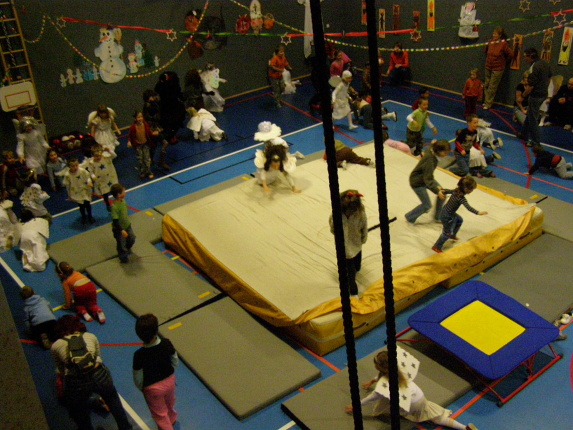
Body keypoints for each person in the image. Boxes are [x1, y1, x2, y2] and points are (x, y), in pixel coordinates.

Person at [345, 349, 479, 430]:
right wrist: (372, 381)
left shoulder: (383, 387)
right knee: (434, 415)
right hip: (419, 396)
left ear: (379, 367)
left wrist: (355, 406)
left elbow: (371, 398)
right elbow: (382, 376)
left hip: (411, 403)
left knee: (381, 406)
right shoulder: (400, 368)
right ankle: (464, 428)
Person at [51, 315, 132, 430]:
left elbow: (62, 370)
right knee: (113, 400)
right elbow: (98, 358)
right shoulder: (91, 336)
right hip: (99, 375)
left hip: (76, 382)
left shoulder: (56, 345)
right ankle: (125, 427)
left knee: (78, 410)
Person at [133, 314, 179, 430]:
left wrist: (144, 388)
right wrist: (170, 373)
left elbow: (137, 377)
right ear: (156, 330)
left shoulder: (139, 355)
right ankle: (172, 419)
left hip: (153, 389)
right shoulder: (166, 343)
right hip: (170, 382)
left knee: (160, 414)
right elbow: (174, 360)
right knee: (169, 403)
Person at [432, 176, 487, 253]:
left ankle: (453, 235)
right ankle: (436, 246)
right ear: (466, 189)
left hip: (447, 212)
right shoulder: (461, 198)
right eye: (471, 189)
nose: (472, 191)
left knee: (459, 220)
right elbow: (468, 207)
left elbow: (448, 191)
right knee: (447, 233)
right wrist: (478, 213)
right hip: (447, 216)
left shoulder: (456, 191)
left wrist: (442, 190)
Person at [329, 190, 367, 297]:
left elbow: (364, 226)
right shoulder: (337, 213)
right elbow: (332, 225)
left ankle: (354, 269)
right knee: (350, 269)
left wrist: (363, 238)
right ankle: (353, 290)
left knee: (357, 266)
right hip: (343, 245)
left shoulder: (360, 214)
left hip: (356, 242)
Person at [405, 139, 450, 224]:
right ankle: (410, 217)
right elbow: (428, 179)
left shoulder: (432, 151)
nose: (446, 155)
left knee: (443, 193)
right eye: (445, 152)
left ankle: (438, 217)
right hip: (417, 182)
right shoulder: (430, 161)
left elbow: (429, 148)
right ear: (438, 151)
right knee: (427, 205)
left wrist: (433, 144)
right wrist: (437, 190)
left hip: (424, 177)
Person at [521, 47, 552, 147]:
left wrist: (523, 96)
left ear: (531, 56)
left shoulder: (534, 66)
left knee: (533, 118)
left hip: (536, 95)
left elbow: (531, 85)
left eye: (525, 57)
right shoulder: (544, 63)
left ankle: (536, 142)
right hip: (543, 93)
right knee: (530, 114)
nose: (524, 59)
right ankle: (524, 134)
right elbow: (549, 77)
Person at [483, 26, 513, 110]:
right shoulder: (490, 42)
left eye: (495, 34)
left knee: (492, 86)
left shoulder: (503, 44)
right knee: (486, 84)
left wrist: (504, 61)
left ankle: (488, 103)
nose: (494, 35)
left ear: (500, 35)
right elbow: (485, 51)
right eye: (493, 33)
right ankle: (486, 100)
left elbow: (511, 54)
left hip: (498, 69)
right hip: (488, 66)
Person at [83, 144, 118, 211]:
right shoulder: (91, 163)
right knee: (105, 193)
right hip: (101, 181)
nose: (98, 157)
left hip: (110, 178)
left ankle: (117, 200)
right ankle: (108, 204)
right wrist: (93, 176)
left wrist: (109, 151)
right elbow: (90, 171)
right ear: (92, 155)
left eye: (99, 155)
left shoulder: (106, 158)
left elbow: (114, 156)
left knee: (114, 190)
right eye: (96, 156)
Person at [142, 89, 171, 171]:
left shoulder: (153, 104)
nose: (153, 98)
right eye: (151, 96)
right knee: (162, 143)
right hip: (152, 128)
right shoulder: (148, 106)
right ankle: (159, 162)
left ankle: (152, 160)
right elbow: (149, 118)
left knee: (154, 145)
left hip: (156, 127)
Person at [62, 156, 95, 225]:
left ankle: (90, 216)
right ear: (69, 167)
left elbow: (87, 177)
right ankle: (84, 217)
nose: (75, 167)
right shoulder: (68, 175)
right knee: (81, 206)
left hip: (84, 190)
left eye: (76, 165)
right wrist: (69, 195)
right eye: (73, 166)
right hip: (76, 192)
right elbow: (67, 186)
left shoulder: (82, 171)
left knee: (87, 204)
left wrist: (89, 182)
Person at [110, 183, 136, 263]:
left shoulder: (123, 201)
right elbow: (115, 221)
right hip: (119, 229)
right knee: (121, 244)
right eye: (123, 191)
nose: (125, 192)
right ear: (118, 195)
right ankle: (123, 257)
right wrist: (121, 230)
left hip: (127, 225)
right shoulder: (114, 207)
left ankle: (127, 248)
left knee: (132, 238)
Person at [128, 111, 156, 180]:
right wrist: (129, 142)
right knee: (140, 159)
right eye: (138, 117)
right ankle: (143, 171)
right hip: (138, 145)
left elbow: (149, 133)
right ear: (135, 119)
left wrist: (154, 134)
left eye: (141, 117)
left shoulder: (145, 124)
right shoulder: (133, 127)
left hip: (145, 144)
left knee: (147, 158)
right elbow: (130, 136)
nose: (140, 119)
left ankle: (149, 172)